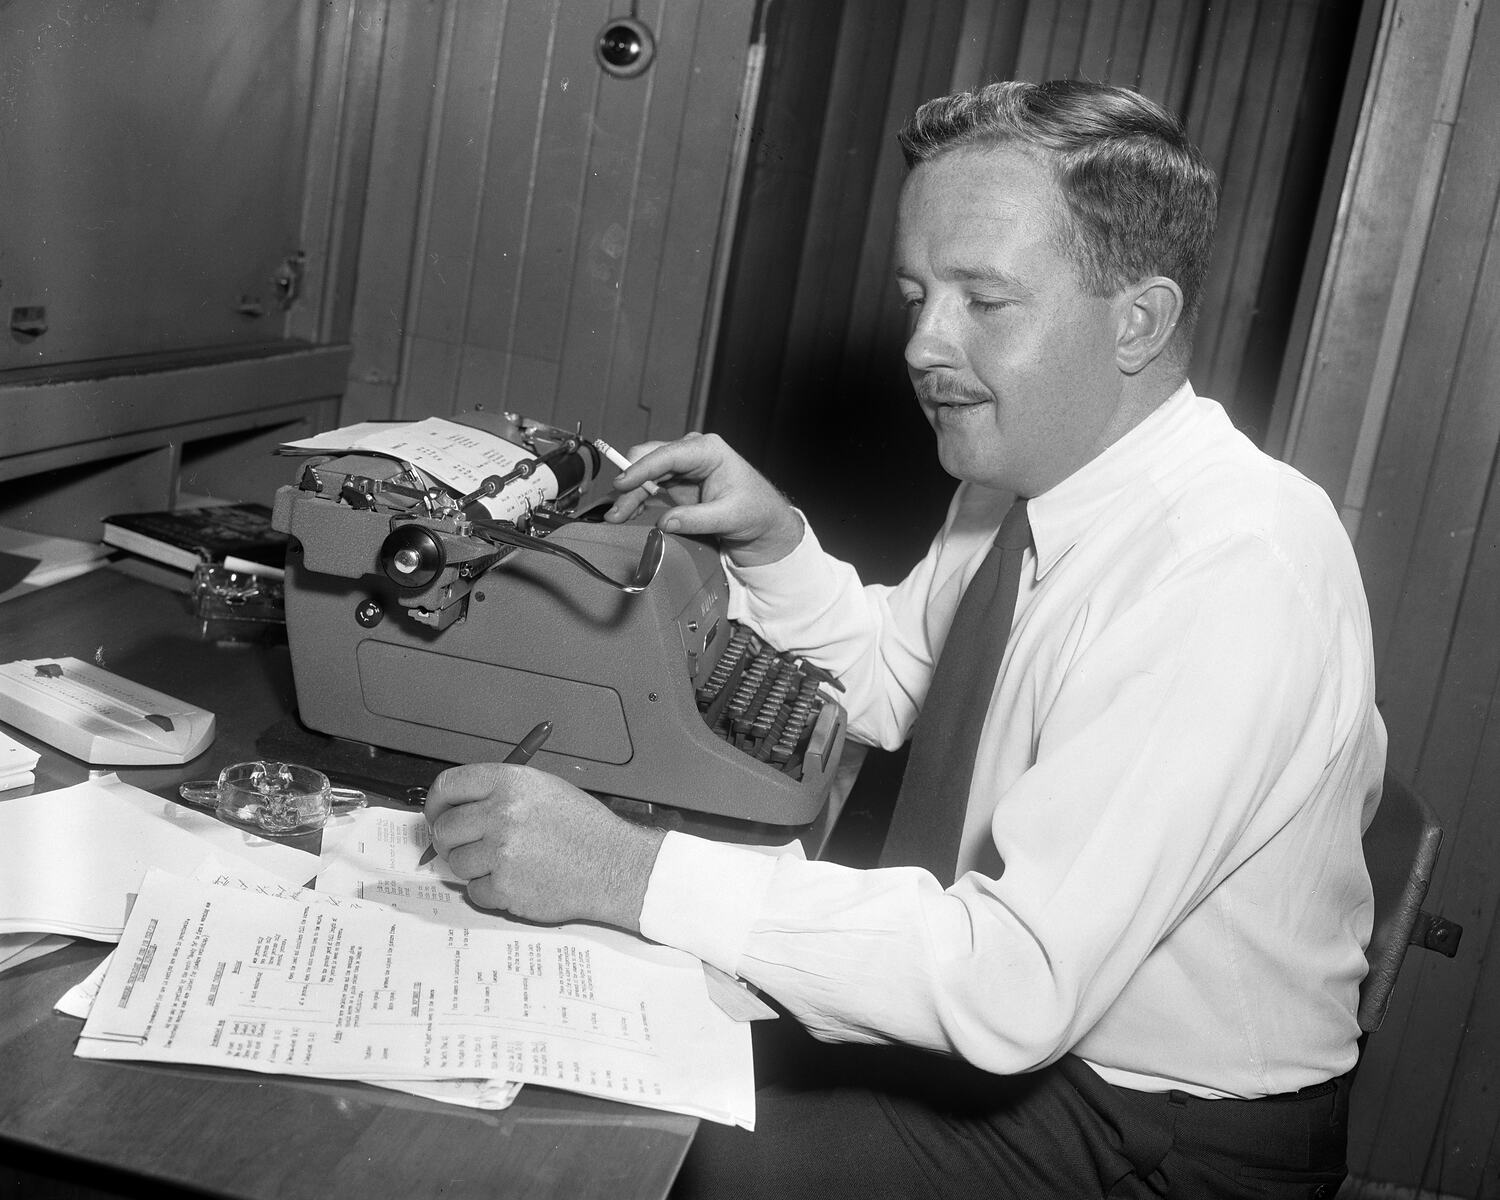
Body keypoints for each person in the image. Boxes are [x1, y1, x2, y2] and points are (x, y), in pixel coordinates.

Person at [425, 79, 1386, 1198]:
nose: (926, 345)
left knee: (655, 1166)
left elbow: (1010, 978)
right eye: (916, 295)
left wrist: (624, 869)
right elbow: (887, 684)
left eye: (984, 300)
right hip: (1029, 1046)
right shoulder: (1022, 480)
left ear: (1140, 320)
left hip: (1155, 1137)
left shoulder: (1232, 567)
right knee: (599, 1052)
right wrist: (776, 539)